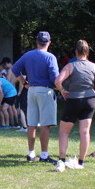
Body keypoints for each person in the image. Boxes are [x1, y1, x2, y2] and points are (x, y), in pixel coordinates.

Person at [54, 40, 95, 170]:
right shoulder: (94, 66)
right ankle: (81, 162)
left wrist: (62, 91)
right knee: (85, 132)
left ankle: (61, 160)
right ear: (87, 52)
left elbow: (57, 81)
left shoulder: (70, 66)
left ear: (76, 52)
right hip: (89, 100)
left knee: (64, 131)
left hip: (74, 100)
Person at [9, 31, 59, 163]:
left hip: (31, 90)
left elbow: (15, 69)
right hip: (46, 90)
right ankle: (44, 155)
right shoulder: (50, 57)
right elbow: (54, 77)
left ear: (37, 42)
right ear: (49, 43)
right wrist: (62, 88)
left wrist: (24, 83)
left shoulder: (28, 55)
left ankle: (31, 153)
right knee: (45, 124)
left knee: (31, 123)